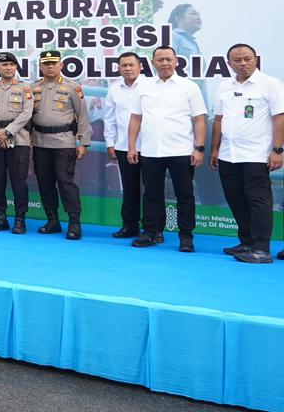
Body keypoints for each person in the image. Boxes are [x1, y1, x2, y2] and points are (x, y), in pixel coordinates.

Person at [127, 45, 207, 252]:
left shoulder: (189, 87)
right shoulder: (143, 87)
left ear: (176, 61)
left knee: (185, 195)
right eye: (160, 60)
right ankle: (151, 232)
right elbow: (136, 118)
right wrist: (131, 147)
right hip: (151, 150)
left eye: (168, 59)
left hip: (181, 150)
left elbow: (199, 119)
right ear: (153, 62)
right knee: (152, 194)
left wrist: (199, 148)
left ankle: (186, 237)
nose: (164, 63)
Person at [210, 43, 284, 263]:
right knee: (235, 199)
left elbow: (280, 118)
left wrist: (278, 150)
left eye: (247, 59)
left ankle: (261, 249)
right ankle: (246, 242)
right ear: (229, 63)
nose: (243, 63)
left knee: (258, 201)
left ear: (255, 59)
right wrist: (214, 149)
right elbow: (219, 119)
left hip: (256, 154)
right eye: (237, 60)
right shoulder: (224, 86)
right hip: (228, 154)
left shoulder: (270, 84)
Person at [30, 49, 90, 239]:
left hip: (64, 141)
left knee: (65, 183)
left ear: (61, 65)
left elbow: (83, 116)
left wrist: (83, 142)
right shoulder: (33, 88)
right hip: (39, 141)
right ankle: (52, 220)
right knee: (44, 182)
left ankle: (74, 223)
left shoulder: (73, 87)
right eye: (46, 64)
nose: (49, 66)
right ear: (40, 66)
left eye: (53, 63)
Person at [0, 51, 32, 232]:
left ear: (16, 67)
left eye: (11, 65)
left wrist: (7, 132)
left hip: (19, 140)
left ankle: (20, 220)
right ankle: (1, 218)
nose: (8, 68)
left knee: (18, 182)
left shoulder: (25, 88)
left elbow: (27, 113)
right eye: (4, 65)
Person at [102, 52, 147, 238]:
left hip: (151, 146)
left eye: (131, 65)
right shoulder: (114, 88)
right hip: (122, 146)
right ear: (119, 68)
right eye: (124, 65)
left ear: (140, 66)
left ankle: (155, 228)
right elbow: (109, 118)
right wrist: (110, 143)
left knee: (153, 189)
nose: (127, 68)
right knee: (129, 188)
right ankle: (130, 225)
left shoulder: (151, 86)